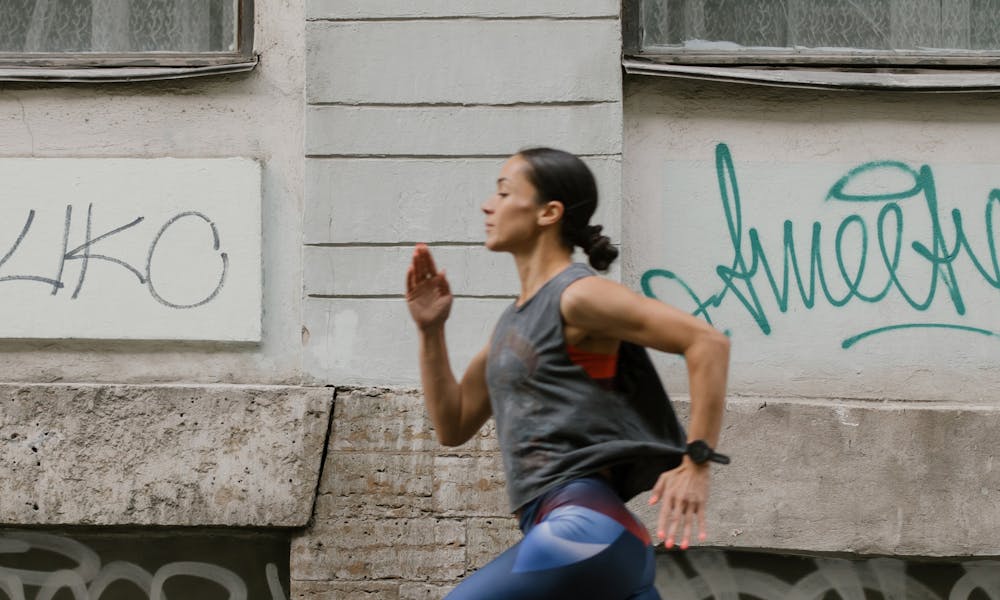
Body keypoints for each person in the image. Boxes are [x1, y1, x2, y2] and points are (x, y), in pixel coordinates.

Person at [405, 147, 730, 599]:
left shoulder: (577, 296)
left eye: (503, 192)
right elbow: (453, 424)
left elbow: (707, 342)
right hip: (603, 542)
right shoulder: (512, 325)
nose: (487, 204)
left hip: (585, 531)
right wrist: (431, 331)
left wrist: (696, 462)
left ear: (548, 212)